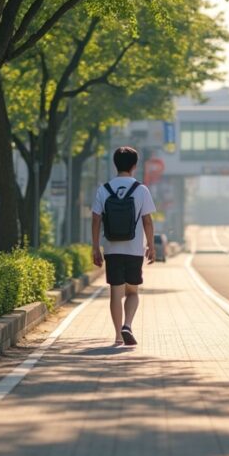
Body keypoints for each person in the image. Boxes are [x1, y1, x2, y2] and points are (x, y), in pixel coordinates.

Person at [91, 146, 156, 346]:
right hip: (134, 250)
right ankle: (127, 325)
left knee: (115, 294)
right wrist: (151, 246)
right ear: (134, 166)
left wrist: (95, 247)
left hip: (112, 249)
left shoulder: (104, 189)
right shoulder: (141, 189)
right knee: (132, 292)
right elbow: (147, 221)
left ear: (115, 164)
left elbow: (95, 220)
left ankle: (118, 335)